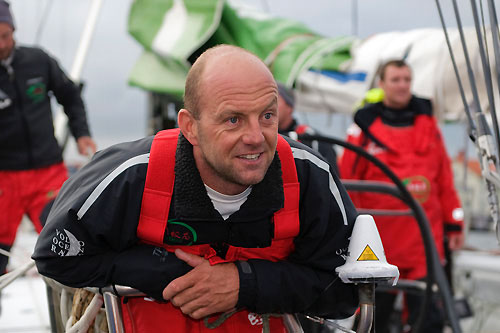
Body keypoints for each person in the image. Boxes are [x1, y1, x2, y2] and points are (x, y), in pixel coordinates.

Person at [32, 45, 359, 332]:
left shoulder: (309, 177)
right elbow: (55, 257)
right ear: (190, 126)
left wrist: (243, 284)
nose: (256, 137)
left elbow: (347, 290)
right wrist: (164, 271)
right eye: (233, 119)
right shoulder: (130, 176)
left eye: (267, 115)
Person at [339, 59, 464, 332]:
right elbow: (347, 183)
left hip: (424, 240)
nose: (403, 85)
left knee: (428, 318)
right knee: (373, 319)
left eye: (407, 79)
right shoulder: (363, 130)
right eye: (396, 80)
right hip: (380, 243)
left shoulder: (429, 128)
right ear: (382, 85)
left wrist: (454, 222)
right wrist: (349, 230)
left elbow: (444, 178)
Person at [0, 0, 96, 276]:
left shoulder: (38, 60)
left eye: (6, 35)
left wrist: (82, 133)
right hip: (4, 181)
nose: (2, 43)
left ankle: (69, 316)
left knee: (67, 246)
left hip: (47, 174)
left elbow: (70, 95)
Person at [277, 82, 339, 175]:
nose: (268, 106)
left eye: (274, 101)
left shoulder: (315, 141)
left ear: (289, 107)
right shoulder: (260, 139)